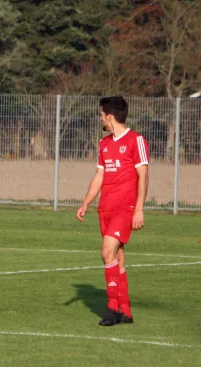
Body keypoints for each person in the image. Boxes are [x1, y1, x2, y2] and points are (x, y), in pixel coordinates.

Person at [76, 96, 149, 326]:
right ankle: (125, 311)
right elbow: (100, 176)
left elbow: (143, 176)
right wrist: (86, 202)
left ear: (109, 116)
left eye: (101, 115)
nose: (100, 118)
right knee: (117, 257)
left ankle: (111, 308)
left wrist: (139, 209)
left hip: (125, 208)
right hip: (105, 208)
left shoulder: (136, 140)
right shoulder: (105, 143)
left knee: (107, 252)